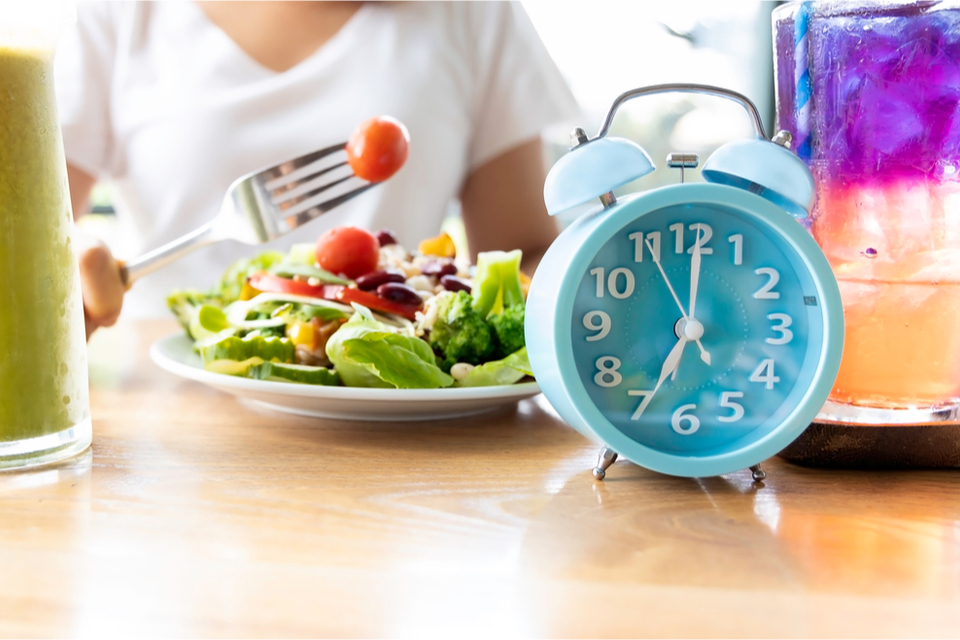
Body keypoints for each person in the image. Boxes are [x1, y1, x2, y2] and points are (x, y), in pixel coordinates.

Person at [59, 1, 580, 337]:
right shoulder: (117, 13)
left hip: (405, 415)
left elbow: (526, 257)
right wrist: (65, 270)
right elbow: (29, 231)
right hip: (164, 413)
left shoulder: (474, 12)